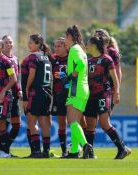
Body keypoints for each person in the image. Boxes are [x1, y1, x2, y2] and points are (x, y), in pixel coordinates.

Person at [84, 36, 131, 159]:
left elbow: (114, 78)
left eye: (87, 44)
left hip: (103, 94)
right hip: (90, 96)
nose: (86, 46)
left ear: (94, 45)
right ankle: (90, 152)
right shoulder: (88, 61)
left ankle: (122, 148)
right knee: (90, 125)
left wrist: (117, 92)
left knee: (104, 123)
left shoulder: (107, 59)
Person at [55, 25, 93, 159]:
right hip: (82, 89)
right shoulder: (80, 49)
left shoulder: (74, 49)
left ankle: (86, 145)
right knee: (75, 122)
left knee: (71, 121)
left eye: (65, 37)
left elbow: (81, 65)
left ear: (70, 37)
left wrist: (70, 77)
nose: (65, 40)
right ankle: (74, 152)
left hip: (76, 89)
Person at [25, 34, 52, 158]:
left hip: (36, 93)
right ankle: (46, 151)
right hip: (47, 92)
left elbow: (32, 74)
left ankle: (36, 151)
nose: (28, 45)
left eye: (31, 43)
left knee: (31, 121)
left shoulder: (33, 56)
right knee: (44, 123)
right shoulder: (46, 57)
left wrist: (27, 87)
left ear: (37, 44)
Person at [2, 35, 22, 151]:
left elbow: (17, 77)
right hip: (4, 95)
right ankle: (4, 150)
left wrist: (19, 90)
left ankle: (4, 149)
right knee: (4, 123)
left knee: (17, 125)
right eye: (6, 42)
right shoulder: (1, 59)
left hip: (14, 95)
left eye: (10, 42)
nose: (8, 44)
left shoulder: (15, 59)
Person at [51, 37, 68, 157]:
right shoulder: (53, 59)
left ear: (65, 46)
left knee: (79, 122)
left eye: (59, 46)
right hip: (58, 95)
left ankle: (83, 147)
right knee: (62, 123)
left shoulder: (72, 57)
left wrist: (64, 76)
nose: (56, 48)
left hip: (73, 94)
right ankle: (64, 151)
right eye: (55, 46)